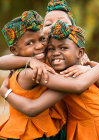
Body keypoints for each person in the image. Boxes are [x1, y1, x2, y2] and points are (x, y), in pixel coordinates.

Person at [0, 21, 99, 140]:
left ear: (80, 52)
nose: (55, 52)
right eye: (51, 48)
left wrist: (96, 68)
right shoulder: (44, 67)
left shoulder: (76, 71)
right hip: (72, 130)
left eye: (63, 48)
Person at [0, 0, 99, 101]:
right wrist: (30, 61)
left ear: (73, 28)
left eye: (62, 22)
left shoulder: (78, 58)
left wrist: (90, 69)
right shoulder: (41, 53)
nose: (55, 26)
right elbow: (2, 61)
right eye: (48, 24)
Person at [0, 10, 68, 140]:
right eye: (30, 43)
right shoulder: (32, 72)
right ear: (14, 50)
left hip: (45, 127)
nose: (39, 46)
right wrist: (95, 69)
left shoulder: (44, 59)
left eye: (42, 39)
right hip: (30, 133)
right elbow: (71, 85)